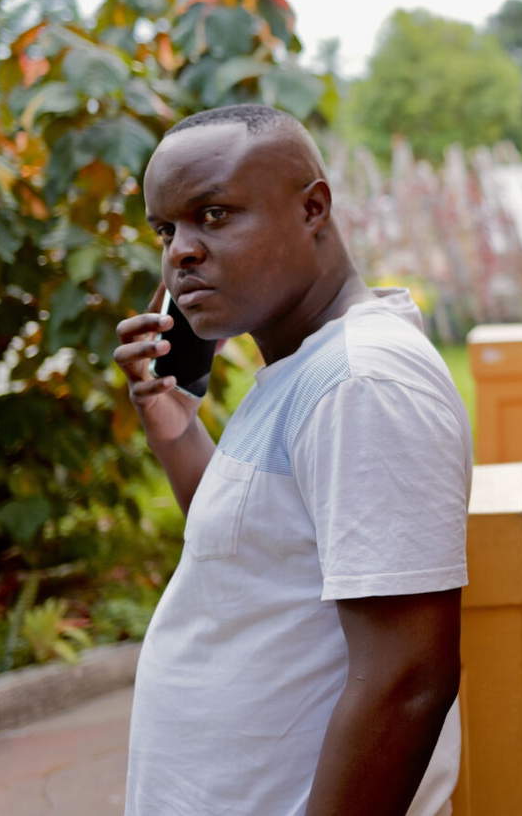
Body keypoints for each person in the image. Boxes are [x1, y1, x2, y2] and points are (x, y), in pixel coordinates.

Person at [114, 103, 472, 815]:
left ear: (314, 209)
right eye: (166, 228)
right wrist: (171, 426)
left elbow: (407, 678)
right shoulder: (303, 374)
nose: (180, 252)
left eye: (213, 214)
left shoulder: (361, 381)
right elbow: (260, 554)